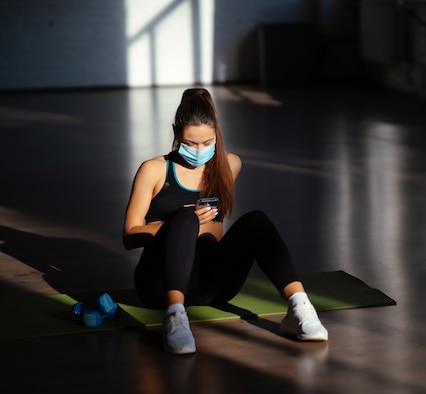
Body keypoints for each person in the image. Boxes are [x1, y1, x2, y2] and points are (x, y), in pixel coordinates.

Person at [123, 88, 328, 354]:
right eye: (190, 143)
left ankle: (300, 308)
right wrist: (177, 224)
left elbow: (217, 235)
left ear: (217, 135)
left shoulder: (229, 165)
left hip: (210, 285)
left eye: (207, 143)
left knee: (256, 221)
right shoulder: (154, 170)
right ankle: (175, 316)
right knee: (185, 217)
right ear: (176, 134)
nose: (199, 150)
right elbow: (129, 236)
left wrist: (200, 230)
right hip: (158, 285)